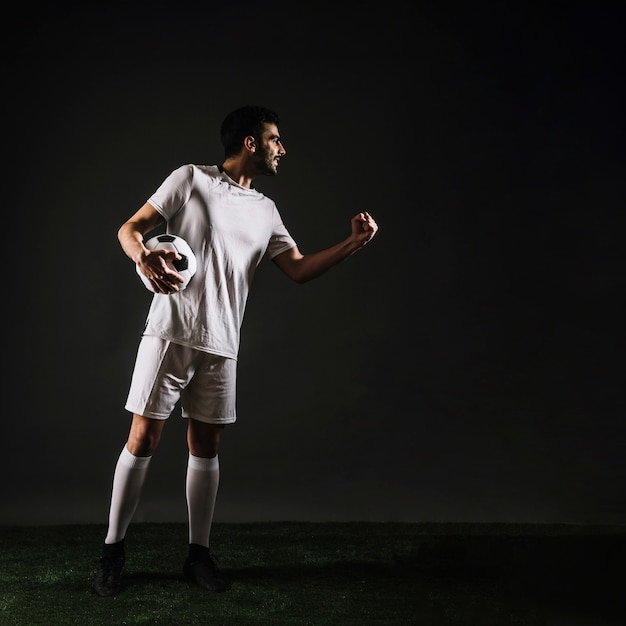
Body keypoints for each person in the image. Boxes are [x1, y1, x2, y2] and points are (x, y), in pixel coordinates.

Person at [93, 105, 378, 597]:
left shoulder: (266, 210)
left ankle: (198, 556)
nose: (281, 147)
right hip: (170, 333)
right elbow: (129, 228)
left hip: (223, 344)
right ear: (250, 142)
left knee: (206, 448)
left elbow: (300, 268)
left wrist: (353, 243)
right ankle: (111, 554)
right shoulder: (191, 180)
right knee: (143, 439)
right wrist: (144, 256)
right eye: (274, 139)